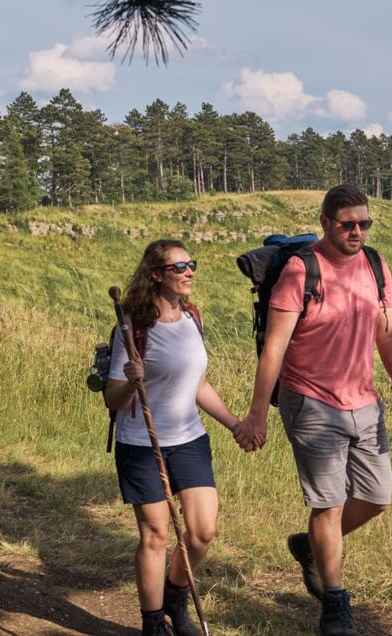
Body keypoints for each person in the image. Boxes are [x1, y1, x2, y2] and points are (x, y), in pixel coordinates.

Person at [234, 184, 392, 636]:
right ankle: (335, 607)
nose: (357, 232)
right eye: (347, 225)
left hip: (365, 401)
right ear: (325, 223)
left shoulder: (376, 265)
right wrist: (257, 413)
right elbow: (274, 348)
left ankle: (310, 548)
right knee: (329, 504)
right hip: (311, 401)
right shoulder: (302, 271)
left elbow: (389, 334)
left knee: (377, 499)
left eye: (364, 224)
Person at [104, 238, 242, 636]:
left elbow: (199, 385)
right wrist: (131, 382)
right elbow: (112, 399)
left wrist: (234, 424)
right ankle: (153, 624)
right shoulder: (132, 329)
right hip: (141, 444)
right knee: (156, 534)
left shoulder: (192, 318)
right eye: (179, 267)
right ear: (155, 276)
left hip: (189, 438)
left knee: (201, 532)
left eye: (190, 264)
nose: (189, 272)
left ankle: (176, 594)